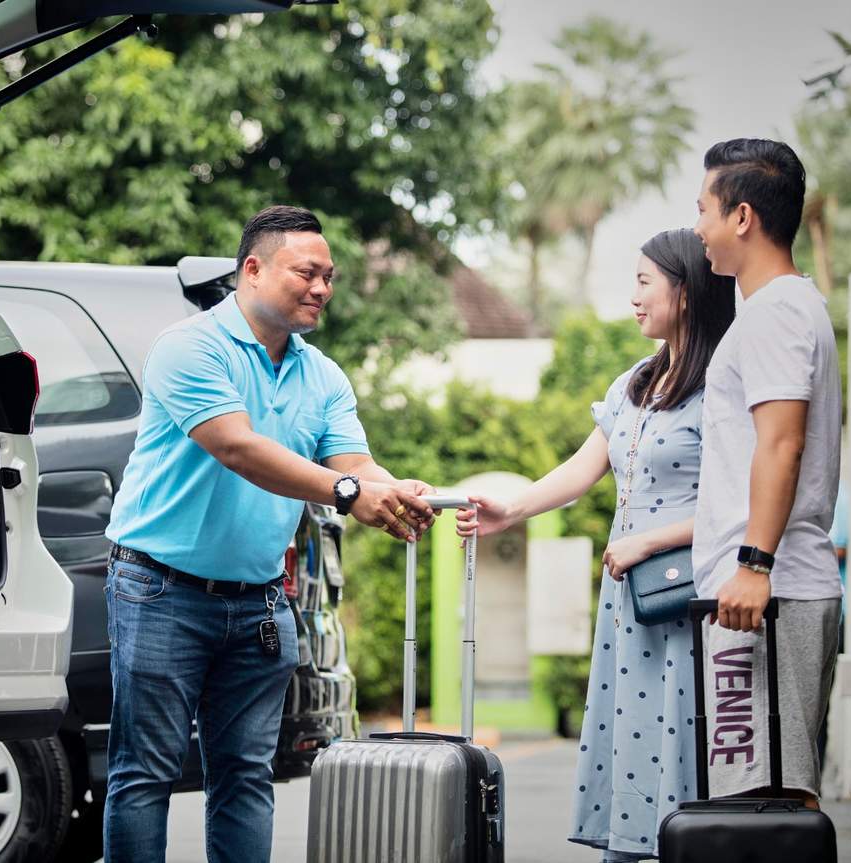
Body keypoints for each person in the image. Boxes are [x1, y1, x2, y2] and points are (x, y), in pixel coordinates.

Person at [101, 205, 437, 863]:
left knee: (245, 773)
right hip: (158, 589)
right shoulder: (189, 346)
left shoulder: (322, 374)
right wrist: (348, 493)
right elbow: (236, 447)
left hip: (257, 601)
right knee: (145, 772)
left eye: (329, 277)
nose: (321, 289)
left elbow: (353, 463)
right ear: (251, 269)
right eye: (307, 273)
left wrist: (391, 489)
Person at [456, 228, 735, 862]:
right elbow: (584, 469)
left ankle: (683, 847)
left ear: (685, 292)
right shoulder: (638, 379)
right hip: (629, 601)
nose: (633, 297)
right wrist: (512, 509)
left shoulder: (723, 380)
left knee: (683, 733)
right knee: (632, 733)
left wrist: (646, 542)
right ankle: (629, 848)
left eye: (645, 281)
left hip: (688, 602)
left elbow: (738, 503)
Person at [691, 138, 842, 808]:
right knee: (763, 799)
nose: (698, 227)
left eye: (704, 210)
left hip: (765, 594)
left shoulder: (775, 311)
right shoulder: (781, 307)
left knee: (764, 802)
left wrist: (753, 564)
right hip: (762, 589)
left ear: (742, 217)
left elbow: (780, 444)